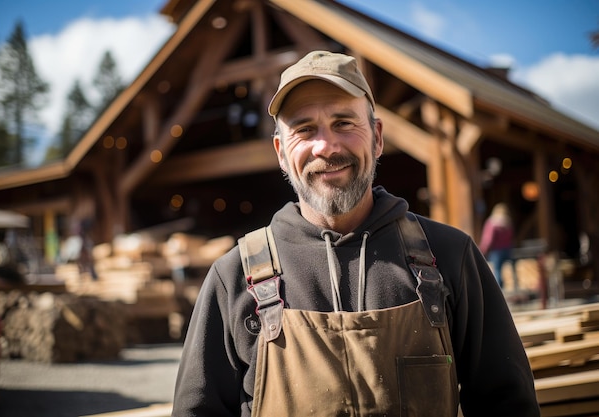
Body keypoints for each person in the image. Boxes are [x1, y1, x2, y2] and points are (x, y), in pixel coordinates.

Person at [172, 51, 539, 417]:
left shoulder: (449, 255)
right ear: (282, 153)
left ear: (377, 137)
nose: (326, 147)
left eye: (344, 123)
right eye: (304, 130)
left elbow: (508, 405)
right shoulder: (234, 276)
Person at [479, 203, 516, 289]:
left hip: (496, 250)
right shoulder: (508, 222)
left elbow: (488, 238)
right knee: (510, 269)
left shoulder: (492, 222)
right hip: (507, 249)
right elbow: (512, 237)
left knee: (497, 270)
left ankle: (498, 289)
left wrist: (482, 249)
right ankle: (514, 286)